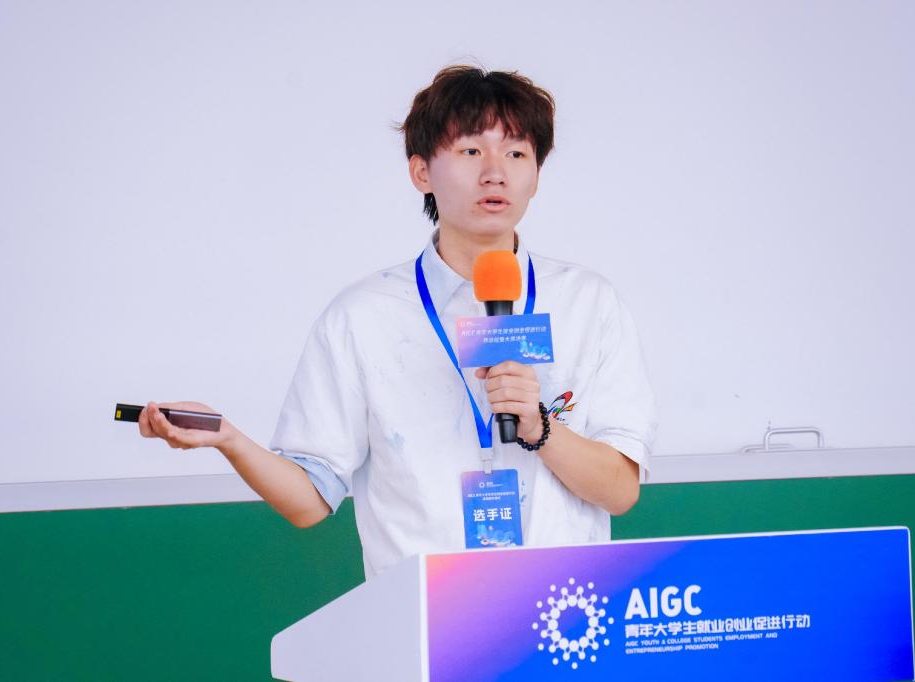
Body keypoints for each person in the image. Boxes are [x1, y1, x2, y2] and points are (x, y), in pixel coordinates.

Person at [139, 65, 657, 577]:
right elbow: (309, 500)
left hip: (566, 608)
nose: (495, 172)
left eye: (516, 153)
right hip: (427, 615)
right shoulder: (363, 316)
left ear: (536, 176)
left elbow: (620, 492)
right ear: (421, 172)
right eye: (471, 151)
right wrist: (228, 437)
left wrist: (541, 428)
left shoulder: (587, 303)